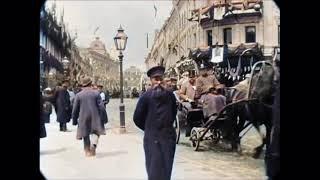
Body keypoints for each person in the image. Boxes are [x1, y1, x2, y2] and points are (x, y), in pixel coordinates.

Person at [133, 66, 177, 180]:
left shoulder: (170, 96)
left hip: (167, 138)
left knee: (167, 169)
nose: (158, 82)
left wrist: (165, 127)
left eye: (160, 79)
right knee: (153, 169)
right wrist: (149, 128)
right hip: (152, 139)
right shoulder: (145, 97)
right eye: (155, 79)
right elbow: (137, 118)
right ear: (151, 81)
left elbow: (173, 114)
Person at [72, 77, 106, 157]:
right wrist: (104, 118)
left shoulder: (78, 95)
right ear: (90, 84)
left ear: (83, 85)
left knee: (85, 134)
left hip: (83, 117)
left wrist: (74, 120)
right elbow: (101, 107)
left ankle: (87, 151)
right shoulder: (96, 93)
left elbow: (75, 109)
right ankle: (93, 145)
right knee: (96, 132)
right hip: (95, 116)